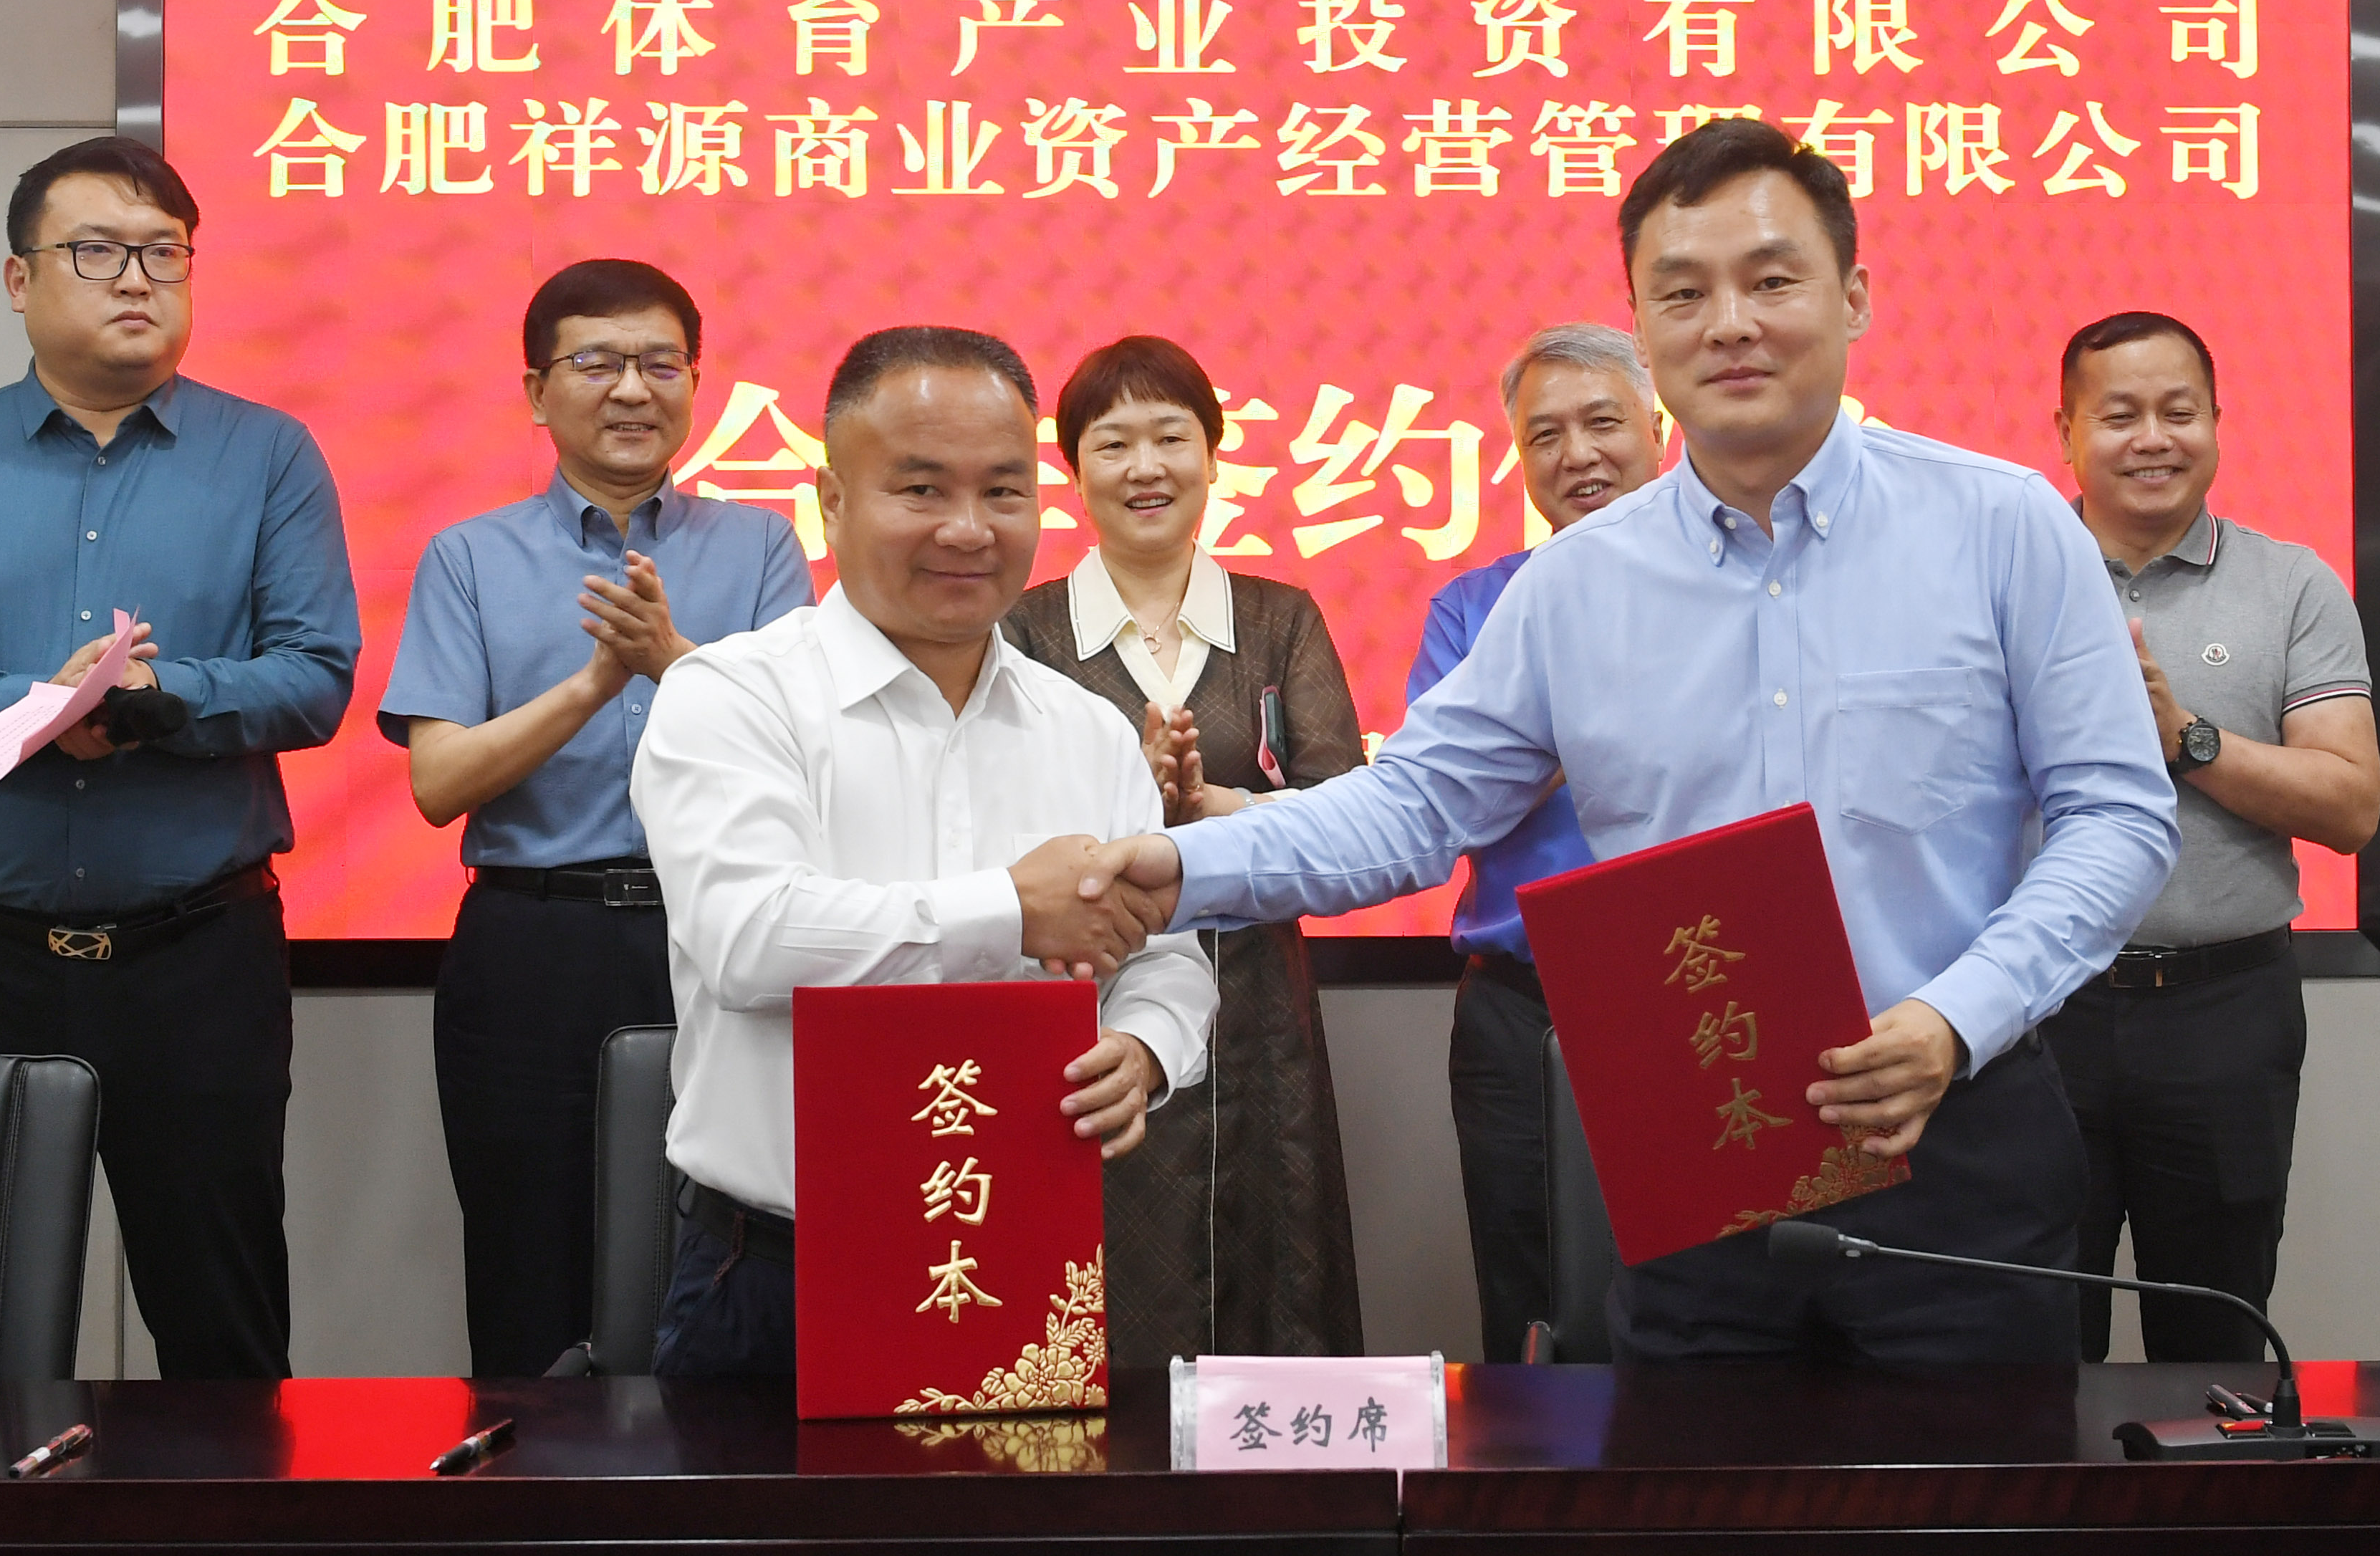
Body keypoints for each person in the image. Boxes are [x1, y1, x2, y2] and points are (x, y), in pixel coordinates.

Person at [1085, 118, 2178, 1365]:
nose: (1730, 324)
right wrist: (1176, 870)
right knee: (1691, 1487)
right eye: (1684, 293)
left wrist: (1953, 1019)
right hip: (1699, 1136)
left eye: (1772, 280)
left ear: (1856, 297)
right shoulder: (1576, 583)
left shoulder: (2004, 525)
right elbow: (1416, 809)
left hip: (1959, 1121)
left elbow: (2118, 817)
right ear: (1644, 329)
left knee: (1973, 1490)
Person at [0, 135, 356, 1378]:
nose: (138, 278)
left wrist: (161, 698)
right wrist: (27, 706)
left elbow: (316, 675)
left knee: (221, 1331)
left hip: (197, 964)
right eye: (96, 251)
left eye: (165, 252)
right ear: (19, 279)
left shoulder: (269, 457)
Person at [626, 327, 1217, 1381]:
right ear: (832, 500)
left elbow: (1168, 957)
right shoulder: (734, 697)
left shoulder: (1087, 729)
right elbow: (748, 941)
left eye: (1004, 492)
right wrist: (1012, 910)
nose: (968, 529)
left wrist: (1145, 1047)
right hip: (777, 1272)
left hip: (1026, 1247)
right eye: (921, 489)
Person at [374, 259, 815, 1379]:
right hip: (533, 944)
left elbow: (808, 759)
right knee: (526, 1257)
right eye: (598, 362)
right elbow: (438, 784)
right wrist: (591, 687)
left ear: (695, 383)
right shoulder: (471, 557)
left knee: (724, 1244)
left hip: (714, 933)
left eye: (661, 363)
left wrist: (668, 661)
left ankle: (710, 1482)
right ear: (537, 392)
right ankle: (532, 1486)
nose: (632, 389)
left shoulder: (760, 548)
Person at [1000, 335, 1368, 1363]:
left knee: (1272, 1265)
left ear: (1213, 453)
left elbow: (1348, 811)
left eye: (1171, 438)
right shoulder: (1022, 632)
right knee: (1103, 1268)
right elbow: (993, 821)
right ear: (1074, 470)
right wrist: (1125, 800)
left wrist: (1213, 806)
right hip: (1090, 1000)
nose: (1146, 468)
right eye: (1114, 444)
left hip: (1259, 999)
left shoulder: (1281, 619)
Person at [2042, 310, 2380, 1360]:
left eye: (2178, 412)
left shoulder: (2293, 585)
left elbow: (2350, 807)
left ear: (2219, 424)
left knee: (2215, 1343)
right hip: (2038, 1012)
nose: (2153, 438)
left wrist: (2183, 738)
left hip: (2223, 1016)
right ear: (2066, 433)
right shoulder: (2010, 577)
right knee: (2033, 1339)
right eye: (2120, 415)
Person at [1409, 320, 1666, 1362]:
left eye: (1603, 423)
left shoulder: (1739, 589)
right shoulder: (1474, 607)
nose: (1577, 456)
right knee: (1528, 1302)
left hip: (1696, 991)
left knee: (1714, 1301)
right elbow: (1447, 797)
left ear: (1658, 428)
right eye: (1544, 436)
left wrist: (1536, 732)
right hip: (1523, 1009)